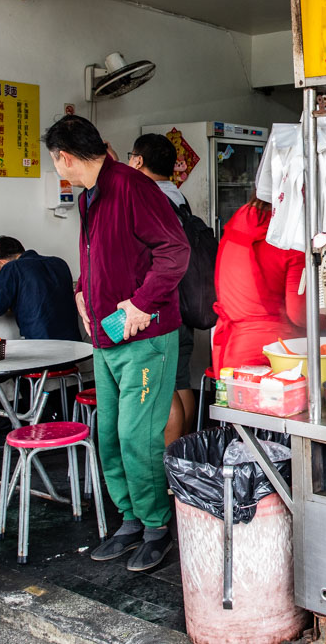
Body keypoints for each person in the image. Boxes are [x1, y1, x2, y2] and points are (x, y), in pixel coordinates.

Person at [43, 115, 190, 573]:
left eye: (54, 160)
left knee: (136, 436)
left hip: (144, 337)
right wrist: (82, 292)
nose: (56, 167)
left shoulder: (132, 186)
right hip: (106, 337)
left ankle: (156, 526)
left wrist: (143, 303)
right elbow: (95, 256)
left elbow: (175, 250)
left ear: (63, 157)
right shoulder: (90, 196)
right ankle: (129, 518)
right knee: (109, 436)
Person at [128, 133, 199, 445]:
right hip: (186, 297)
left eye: (131, 157)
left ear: (139, 161)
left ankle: (167, 460)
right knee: (180, 378)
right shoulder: (178, 197)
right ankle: (184, 450)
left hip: (160, 304)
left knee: (162, 387)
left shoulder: (146, 196)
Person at [211, 197, 305, 375]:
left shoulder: (239, 221)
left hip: (232, 351)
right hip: (275, 354)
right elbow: (299, 313)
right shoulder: (292, 238)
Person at [0, 236, 80, 341]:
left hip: (43, 345)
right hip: (73, 341)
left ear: (1, 262)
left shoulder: (12, 267)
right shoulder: (59, 263)